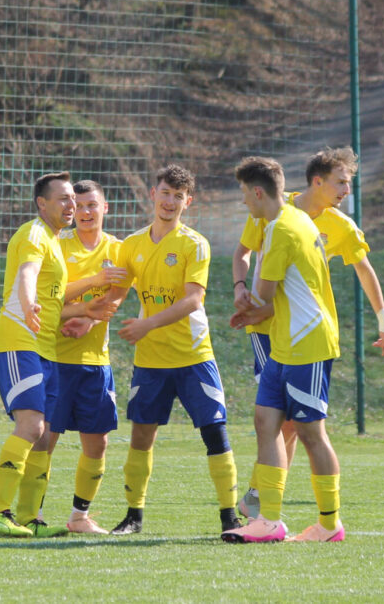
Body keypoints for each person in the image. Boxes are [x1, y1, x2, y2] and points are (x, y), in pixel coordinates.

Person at [232, 149, 384, 519]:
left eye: (349, 184)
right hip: (268, 327)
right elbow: (243, 253)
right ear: (317, 181)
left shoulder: (338, 226)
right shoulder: (276, 208)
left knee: (288, 423)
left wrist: (383, 320)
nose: (346, 191)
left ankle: (262, 501)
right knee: (275, 419)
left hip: (300, 329)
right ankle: (263, 504)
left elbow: (365, 270)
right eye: (341, 182)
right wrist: (241, 288)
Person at [103, 164, 242, 536]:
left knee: (215, 432)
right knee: (141, 437)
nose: (169, 201)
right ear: (153, 194)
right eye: (165, 193)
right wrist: (87, 318)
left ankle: (230, 517)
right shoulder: (131, 245)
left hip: (194, 356)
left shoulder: (194, 244)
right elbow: (116, 295)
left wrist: (147, 324)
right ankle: (133, 516)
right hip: (150, 360)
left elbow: (193, 300)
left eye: (178, 196)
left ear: (187, 202)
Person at [0, 172, 116, 538]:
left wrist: (87, 304)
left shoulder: (54, 240)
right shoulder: (34, 234)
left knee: (42, 435)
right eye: (63, 199)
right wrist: (28, 306)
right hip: (19, 342)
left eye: (73, 198)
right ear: (42, 204)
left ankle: (29, 518)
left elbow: (56, 299)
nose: (71, 205)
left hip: (45, 349)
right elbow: (27, 274)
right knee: (31, 427)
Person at [225, 158, 344, 543]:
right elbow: (275, 299)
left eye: (245, 194)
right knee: (266, 420)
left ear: (258, 192)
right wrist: (251, 310)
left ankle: (329, 525)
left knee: (311, 433)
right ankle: (268, 520)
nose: (244, 201)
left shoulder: (283, 229)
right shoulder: (291, 219)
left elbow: (265, 295)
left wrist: (246, 304)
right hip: (283, 343)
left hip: (307, 343)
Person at [53, 180, 127, 534]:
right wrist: (80, 311)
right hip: (54, 358)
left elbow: (119, 292)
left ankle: (79, 517)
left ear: (105, 208)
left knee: (97, 443)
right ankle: (30, 513)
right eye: (79, 206)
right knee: (43, 439)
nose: (84, 212)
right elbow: (49, 296)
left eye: (91, 205)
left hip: (95, 361)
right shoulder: (57, 244)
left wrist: (90, 320)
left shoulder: (118, 249)